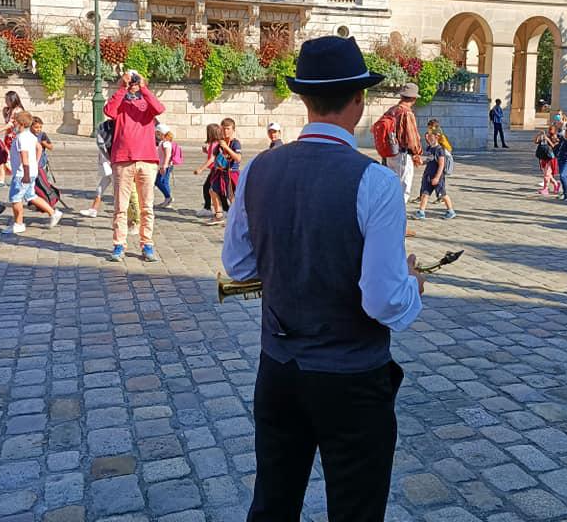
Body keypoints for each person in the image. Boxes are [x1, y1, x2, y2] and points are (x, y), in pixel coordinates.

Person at [222, 35, 423, 522]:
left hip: (279, 368)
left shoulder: (258, 169)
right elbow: (382, 302)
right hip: (352, 377)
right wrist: (413, 287)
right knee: (356, 510)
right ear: (358, 100)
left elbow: (239, 266)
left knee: (273, 501)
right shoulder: (376, 182)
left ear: (304, 99)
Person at [104, 69, 166, 262]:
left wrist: (144, 88)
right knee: (120, 207)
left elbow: (159, 108)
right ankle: (119, 245)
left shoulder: (146, 103)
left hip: (147, 159)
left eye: (135, 80)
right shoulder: (121, 102)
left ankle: (147, 244)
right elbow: (109, 111)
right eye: (132, 80)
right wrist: (122, 87)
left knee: (147, 206)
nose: (133, 84)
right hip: (123, 159)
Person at [3, 111, 63, 235]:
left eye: (14, 121)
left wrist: (25, 173)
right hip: (31, 171)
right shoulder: (31, 136)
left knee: (16, 198)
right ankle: (53, 213)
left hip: (22, 174)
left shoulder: (21, 137)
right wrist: (35, 162)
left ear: (20, 123)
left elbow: (24, 157)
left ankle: (18, 224)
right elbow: (39, 147)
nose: (13, 123)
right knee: (31, 196)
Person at [383, 83, 423, 204]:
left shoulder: (391, 110)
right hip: (403, 155)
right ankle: (396, 217)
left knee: (392, 187)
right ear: (414, 98)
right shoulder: (407, 113)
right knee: (403, 189)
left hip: (389, 153)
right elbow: (412, 138)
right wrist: (417, 154)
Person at [414, 130, 456, 219]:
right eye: (427, 136)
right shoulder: (430, 149)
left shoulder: (440, 150)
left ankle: (450, 211)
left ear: (436, 137)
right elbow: (429, 160)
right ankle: (421, 212)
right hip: (428, 175)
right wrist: (421, 162)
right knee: (425, 193)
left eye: (430, 136)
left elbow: (441, 165)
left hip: (437, 176)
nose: (428, 138)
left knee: (442, 194)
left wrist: (437, 177)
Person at [0, 91, 24, 188]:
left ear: (13, 100)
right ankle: (2, 181)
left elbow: (10, 124)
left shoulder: (17, 110)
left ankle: (18, 179)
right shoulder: (9, 110)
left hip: (15, 138)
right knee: (3, 157)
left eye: (7, 100)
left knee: (13, 159)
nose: (6, 102)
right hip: (8, 137)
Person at [194, 123, 225, 220]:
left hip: (215, 169)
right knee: (214, 189)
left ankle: (208, 208)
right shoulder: (215, 143)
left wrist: (201, 169)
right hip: (216, 169)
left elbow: (212, 159)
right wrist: (206, 151)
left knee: (208, 188)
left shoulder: (214, 144)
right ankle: (224, 208)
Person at [534, 126, 560, 195]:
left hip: (551, 159)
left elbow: (554, 147)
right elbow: (536, 142)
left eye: (551, 130)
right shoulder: (546, 136)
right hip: (544, 157)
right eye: (549, 129)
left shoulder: (556, 138)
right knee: (548, 175)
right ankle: (556, 184)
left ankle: (546, 189)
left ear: (555, 130)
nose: (549, 131)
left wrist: (548, 140)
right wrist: (539, 135)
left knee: (546, 175)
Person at [154, 122, 175, 208]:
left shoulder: (166, 143)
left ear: (161, 133)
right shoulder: (163, 142)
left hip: (165, 165)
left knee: (158, 181)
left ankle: (168, 197)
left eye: (157, 133)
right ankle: (167, 199)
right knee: (164, 182)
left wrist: (164, 166)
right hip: (165, 165)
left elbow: (167, 155)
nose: (156, 135)